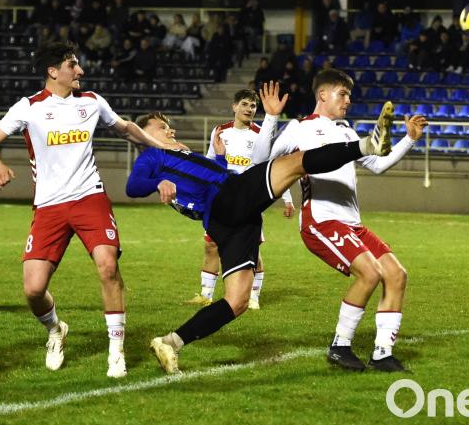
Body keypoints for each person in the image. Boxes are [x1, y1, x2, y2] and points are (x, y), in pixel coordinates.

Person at [127, 81, 395, 374]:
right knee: (295, 162)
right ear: (143, 136)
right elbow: (132, 186)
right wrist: (157, 182)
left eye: (169, 127)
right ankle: (368, 144)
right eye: (161, 128)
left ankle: (171, 342)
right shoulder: (152, 157)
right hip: (229, 198)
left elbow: (201, 183)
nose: (170, 130)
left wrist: (217, 158)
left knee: (237, 301)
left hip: (229, 220)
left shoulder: (181, 153)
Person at [0, 41, 177, 379]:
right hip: (49, 207)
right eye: (73, 65)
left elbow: (126, 128)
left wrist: (163, 147)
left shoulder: (92, 102)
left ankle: (116, 352)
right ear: (54, 71)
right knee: (33, 289)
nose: (80, 70)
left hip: (89, 198)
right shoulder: (29, 107)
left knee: (108, 267)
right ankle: (56, 330)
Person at [269, 69, 427, 372]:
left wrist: (408, 139)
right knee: (370, 273)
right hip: (321, 221)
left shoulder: (347, 132)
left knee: (396, 274)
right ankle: (340, 345)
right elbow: (267, 161)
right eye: (342, 93)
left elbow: (378, 166)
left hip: (352, 223)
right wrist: (270, 123)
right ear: (322, 95)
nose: (348, 100)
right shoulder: (298, 129)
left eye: (349, 95)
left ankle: (382, 353)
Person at [186, 89, 294, 310]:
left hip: (248, 198)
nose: (249, 109)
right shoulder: (220, 131)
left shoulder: (260, 135)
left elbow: (273, 167)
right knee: (211, 245)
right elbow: (209, 160)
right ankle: (206, 295)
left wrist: (287, 198)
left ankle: (253, 296)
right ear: (234, 107)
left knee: (252, 248)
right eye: (245, 104)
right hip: (220, 197)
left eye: (253, 106)